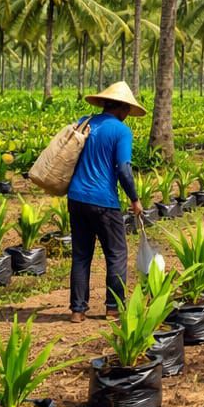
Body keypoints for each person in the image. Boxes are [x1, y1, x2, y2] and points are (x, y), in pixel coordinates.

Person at [67, 81, 145, 322]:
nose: (127, 116)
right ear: (122, 108)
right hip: (104, 201)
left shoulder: (86, 121)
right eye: (127, 111)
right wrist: (134, 199)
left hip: (76, 197)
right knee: (117, 254)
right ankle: (113, 307)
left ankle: (77, 311)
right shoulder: (121, 131)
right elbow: (123, 169)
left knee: (81, 255)